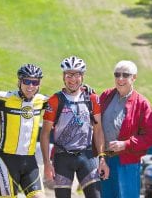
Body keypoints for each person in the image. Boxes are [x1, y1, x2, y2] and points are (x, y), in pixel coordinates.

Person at [40, 56, 109, 198]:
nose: (73, 79)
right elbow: (45, 134)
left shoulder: (92, 98)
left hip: (87, 156)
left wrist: (102, 158)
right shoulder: (55, 100)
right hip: (62, 157)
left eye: (77, 74)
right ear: (63, 76)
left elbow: (98, 129)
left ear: (82, 76)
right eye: (69, 74)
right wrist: (47, 163)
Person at [99, 60, 152, 198]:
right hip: (104, 160)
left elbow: (150, 136)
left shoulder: (142, 103)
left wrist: (125, 144)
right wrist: (100, 157)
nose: (120, 78)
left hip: (128, 162)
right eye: (117, 74)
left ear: (134, 77)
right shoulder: (105, 96)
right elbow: (95, 126)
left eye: (125, 75)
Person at [0, 64, 47, 198]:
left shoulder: (43, 100)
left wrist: (85, 91)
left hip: (30, 161)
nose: (30, 86)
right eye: (26, 81)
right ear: (19, 81)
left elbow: (66, 98)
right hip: (7, 161)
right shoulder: (4, 98)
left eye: (35, 82)